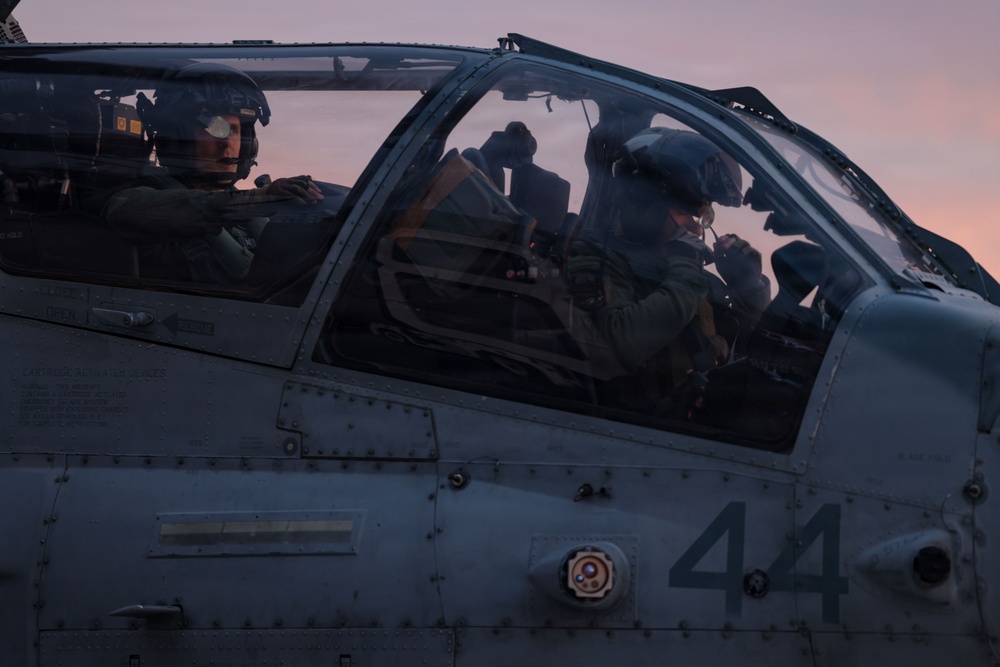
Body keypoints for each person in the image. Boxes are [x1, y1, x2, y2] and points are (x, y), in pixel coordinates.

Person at [567, 127, 760, 413]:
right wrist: (687, 269)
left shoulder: (682, 270)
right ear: (643, 205)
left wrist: (749, 288)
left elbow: (743, 349)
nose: (697, 228)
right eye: (686, 213)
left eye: (703, 218)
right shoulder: (595, 258)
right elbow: (620, 341)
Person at [101, 63, 324, 283]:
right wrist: (258, 198)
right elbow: (129, 211)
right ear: (177, 137)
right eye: (212, 129)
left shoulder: (251, 212)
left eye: (234, 130)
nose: (226, 142)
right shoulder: (136, 201)